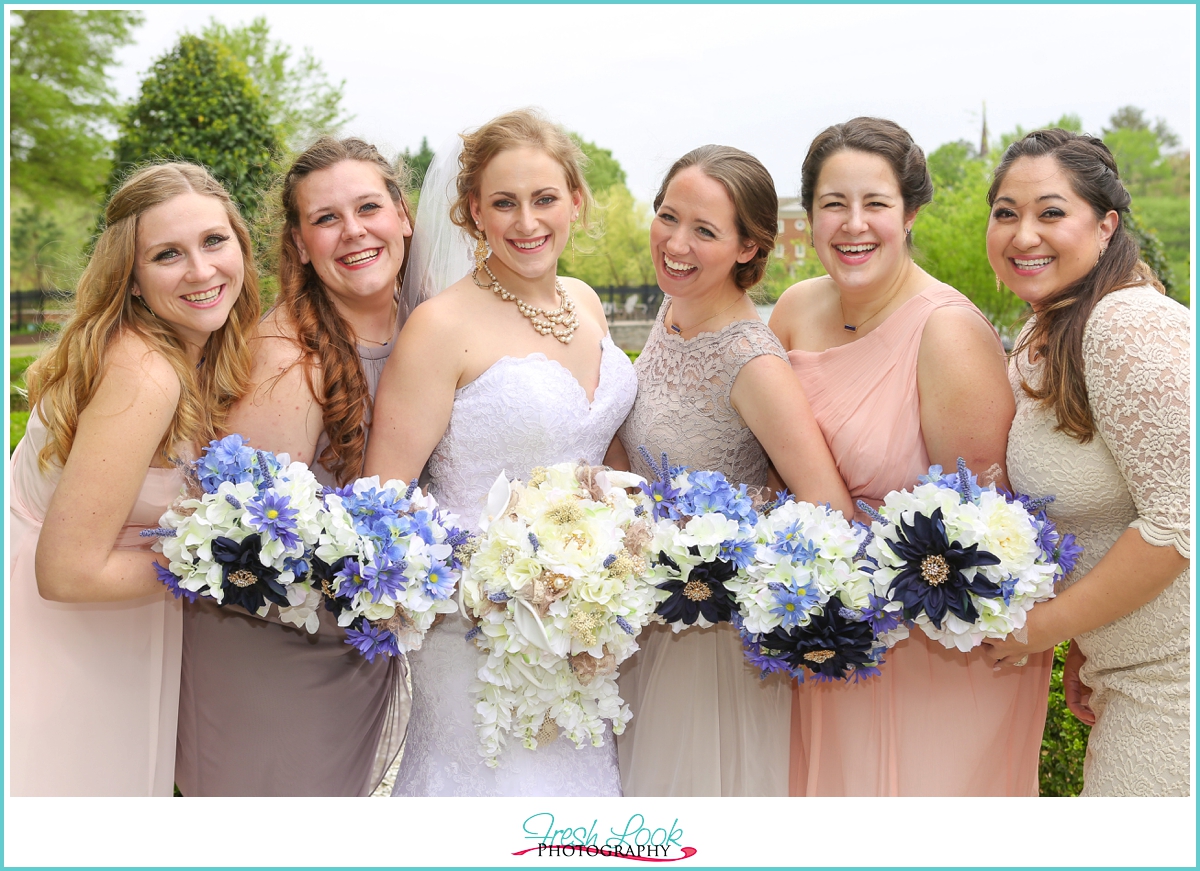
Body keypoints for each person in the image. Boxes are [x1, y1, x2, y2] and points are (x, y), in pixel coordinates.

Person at [768, 117, 1051, 796]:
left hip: (940, 654)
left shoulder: (947, 331)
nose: (852, 224)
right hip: (827, 635)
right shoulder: (793, 310)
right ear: (808, 215)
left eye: (876, 204)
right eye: (833, 204)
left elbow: (988, 538)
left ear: (911, 211)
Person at [364, 109, 635, 796]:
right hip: (475, 639)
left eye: (545, 199)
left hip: (584, 630)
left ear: (575, 199)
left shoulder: (585, 302)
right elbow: (382, 504)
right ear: (472, 213)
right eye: (504, 203)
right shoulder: (440, 327)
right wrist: (494, 586)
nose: (527, 222)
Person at [174, 137, 414, 796]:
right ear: (301, 244)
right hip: (273, 665)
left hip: (357, 652)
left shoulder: (424, 328)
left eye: (368, 207)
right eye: (326, 218)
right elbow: (243, 549)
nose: (353, 231)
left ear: (404, 216)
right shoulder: (289, 359)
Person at [9, 163, 258, 795]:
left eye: (213, 241)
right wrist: (235, 567)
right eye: (168, 254)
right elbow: (67, 571)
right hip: (55, 646)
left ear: (240, 245)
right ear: (135, 279)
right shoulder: (145, 372)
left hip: (120, 627)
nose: (201, 271)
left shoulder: (194, 354)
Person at [614, 145, 852, 797]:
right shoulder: (671, 316)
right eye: (668, 216)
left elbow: (831, 512)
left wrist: (728, 558)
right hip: (644, 624)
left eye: (705, 230)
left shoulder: (753, 362)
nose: (676, 243)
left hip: (713, 645)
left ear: (749, 247)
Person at [980, 129, 1190, 796]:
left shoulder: (1126, 323)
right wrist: (1085, 641)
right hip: (1124, 677)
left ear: (1105, 226)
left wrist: (1042, 629)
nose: (1022, 235)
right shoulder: (1045, 339)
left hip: (1176, 688)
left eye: (1050, 212)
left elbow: (1180, 523)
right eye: (1005, 212)